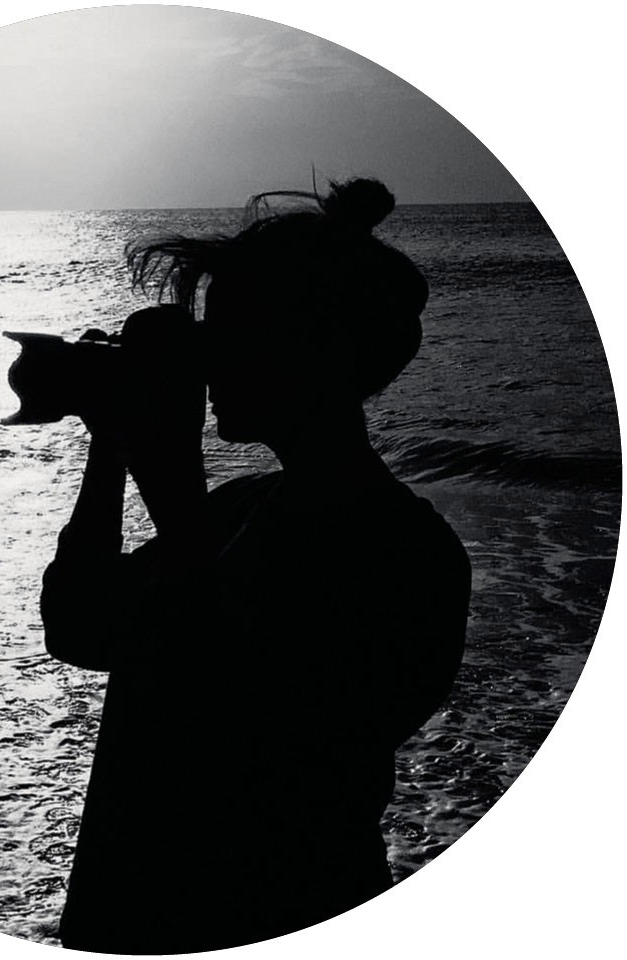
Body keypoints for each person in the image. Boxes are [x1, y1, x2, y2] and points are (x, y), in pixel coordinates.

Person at [40, 178, 471, 954]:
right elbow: (79, 627)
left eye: (231, 334)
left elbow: (248, 711)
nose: (207, 362)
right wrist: (112, 441)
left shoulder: (401, 549)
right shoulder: (241, 506)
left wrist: (168, 473)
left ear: (312, 348)